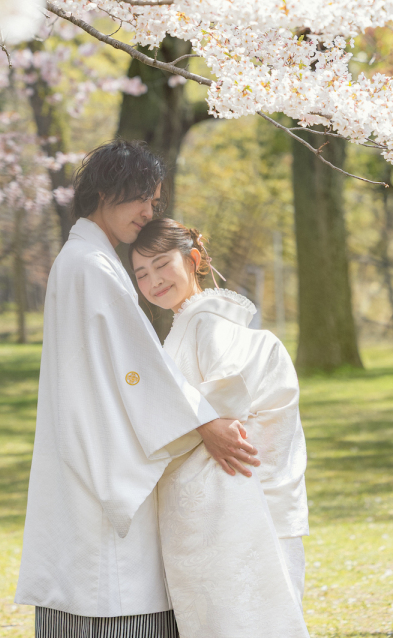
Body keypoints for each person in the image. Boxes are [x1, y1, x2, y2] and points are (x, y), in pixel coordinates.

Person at [15, 141, 259, 638]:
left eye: (155, 201)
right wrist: (203, 422)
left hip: (86, 450)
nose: (150, 211)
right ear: (106, 193)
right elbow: (134, 367)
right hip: (96, 456)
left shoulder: (84, 258)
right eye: (141, 197)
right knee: (113, 587)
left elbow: (125, 366)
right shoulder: (91, 265)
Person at [130, 218, 309, 638]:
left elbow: (221, 417)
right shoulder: (190, 325)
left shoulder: (206, 326)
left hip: (220, 512)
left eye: (161, 265)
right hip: (213, 510)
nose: (153, 281)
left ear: (193, 260)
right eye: (141, 273)